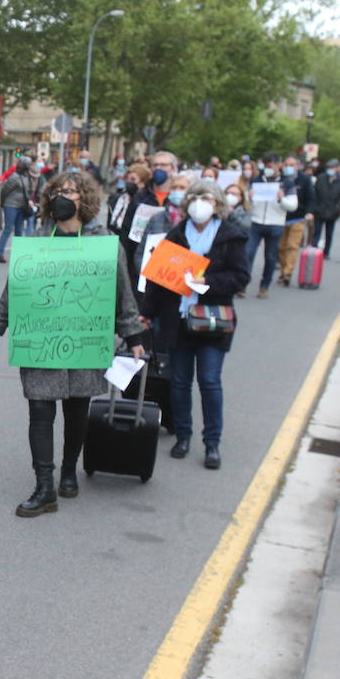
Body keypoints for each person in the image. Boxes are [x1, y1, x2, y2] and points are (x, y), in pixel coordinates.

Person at [0, 170, 146, 516]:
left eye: (70, 191)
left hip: (85, 342)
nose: (62, 197)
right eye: (56, 191)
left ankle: (69, 470)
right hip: (41, 340)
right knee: (39, 410)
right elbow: (15, 292)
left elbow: (123, 294)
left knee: (76, 410)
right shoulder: (38, 241)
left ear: (85, 198)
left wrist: (134, 337)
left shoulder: (104, 242)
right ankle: (44, 487)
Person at [139, 179, 250, 470]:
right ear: (188, 202)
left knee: (210, 381)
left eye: (208, 198)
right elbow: (157, 280)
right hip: (178, 320)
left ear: (217, 204)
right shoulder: (175, 236)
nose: (201, 202)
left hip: (213, 321)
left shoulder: (231, 236)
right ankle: (183, 435)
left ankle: (211, 442)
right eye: (197, 197)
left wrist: (208, 282)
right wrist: (147, 313)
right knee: (179, 381)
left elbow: (240, 277)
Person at [245, 152, 297, 299]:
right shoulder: (257, 180)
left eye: (270, 166)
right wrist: (248, 197)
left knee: (270, 256)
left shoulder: (287, 183)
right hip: (256, 222)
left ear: (277, 165)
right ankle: (242, 284)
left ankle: (264, 286)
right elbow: (248, 203)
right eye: (265, 166)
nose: (267, 168)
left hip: (275, 223)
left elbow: (292, 206)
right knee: (248, 253)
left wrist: (282, 199)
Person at [275, 154, 313, 287]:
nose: (288, 168)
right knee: (281, 247)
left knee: (293, 245)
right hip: (281, 217)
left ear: (297, 166)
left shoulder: (305, 180)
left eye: (291, 165)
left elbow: (310, 197)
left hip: (298, 217)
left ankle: (287, 272)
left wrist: (308, 212)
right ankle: (283, 270)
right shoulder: (280, 180)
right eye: (286, 165)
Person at [0, 158, 35, 263]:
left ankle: (18, 254)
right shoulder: (14, 177)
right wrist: (2, 204)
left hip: (22, 206)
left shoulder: (27, 177)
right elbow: (5, 191)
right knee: (8, 229)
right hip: (11, 205)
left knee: (19, 230)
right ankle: (0, 254)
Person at [310, 159, 340, 259]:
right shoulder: (321, 178)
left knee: (329, 232)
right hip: (320, 209)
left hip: (333, 210)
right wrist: (314, 207)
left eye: (332, 168)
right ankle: (314, 251)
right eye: (328, 168)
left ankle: (326, 252)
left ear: (337, 168)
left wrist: (339, 206)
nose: (330, 170)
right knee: (316, 232)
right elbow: (315, 193)